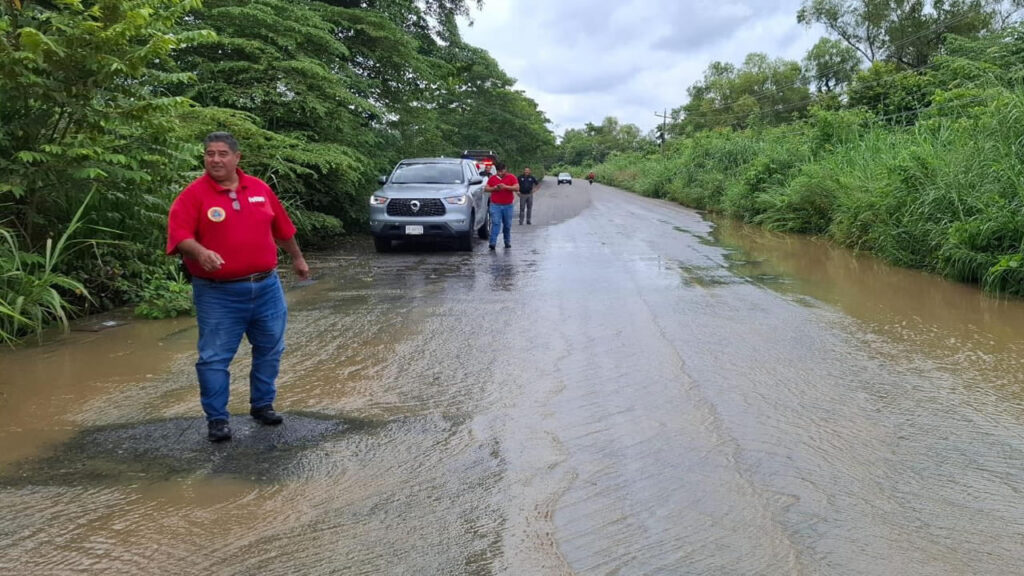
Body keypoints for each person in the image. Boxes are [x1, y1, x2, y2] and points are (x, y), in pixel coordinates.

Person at [166, 132, 310, 442]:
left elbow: (283, 229)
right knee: (214, 357)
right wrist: (200, 252)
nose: (215, 159)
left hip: (266, 287)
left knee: (270, 348)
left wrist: (297, 258)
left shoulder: (259, 189)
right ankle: (217, 419)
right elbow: (180, 235)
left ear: (236, 157)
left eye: (222, 154)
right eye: (209, 154)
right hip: (218, 293)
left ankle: (262, 405)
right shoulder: (193, 195)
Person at [485, 161, 518, 250]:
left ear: (505, 169)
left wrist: (505, 187)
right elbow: (486, 188)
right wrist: (494, 188)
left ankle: (507, 241)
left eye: (501, 171)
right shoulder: (492, 178)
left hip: (508, 205)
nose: (500, 173)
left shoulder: (511, 177)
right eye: (498, 171)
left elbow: (517, 187)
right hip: (495, 205)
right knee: (496, 223)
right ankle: (492, 242)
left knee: (507, 225)